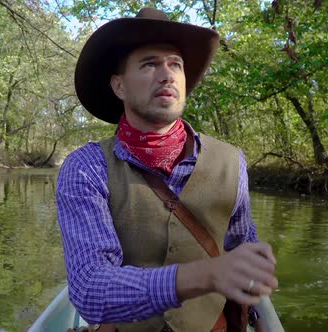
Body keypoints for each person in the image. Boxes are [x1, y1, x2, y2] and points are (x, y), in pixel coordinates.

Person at [57, 7, 278, 332]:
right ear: (119, 86)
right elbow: (90, 289)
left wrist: (255, 294)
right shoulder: (87, 168)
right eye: (150, 64)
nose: (167, 74)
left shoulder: (232, 161)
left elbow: (241, 243)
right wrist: (207, 274)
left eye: (175, 64)